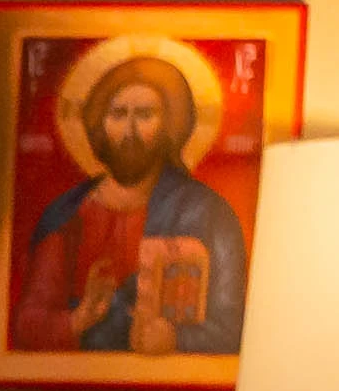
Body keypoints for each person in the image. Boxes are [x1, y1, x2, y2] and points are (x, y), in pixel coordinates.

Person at [17, 47, 249, 356]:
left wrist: (176, 339)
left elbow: (234, 327)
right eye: (117, 114)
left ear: (170, 125)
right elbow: (28, 325)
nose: (129, 131)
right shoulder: (66, 214)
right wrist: (80, 318)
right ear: (100, 123)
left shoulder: (207, 214)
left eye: (144, 115)